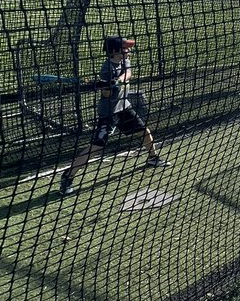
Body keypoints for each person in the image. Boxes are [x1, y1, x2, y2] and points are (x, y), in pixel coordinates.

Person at [58, 35, 166, 196]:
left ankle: (153, 157)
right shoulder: (107, 69)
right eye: (125, 48)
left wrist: (118, 80)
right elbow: (107, 96)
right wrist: (107, 86)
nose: (128, 50)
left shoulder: (123, 61)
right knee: (97, 146)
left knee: (144, 132)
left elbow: (128, 73)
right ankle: (68, 177)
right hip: (109, 112)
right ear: (115, 51)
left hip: (124, 107)